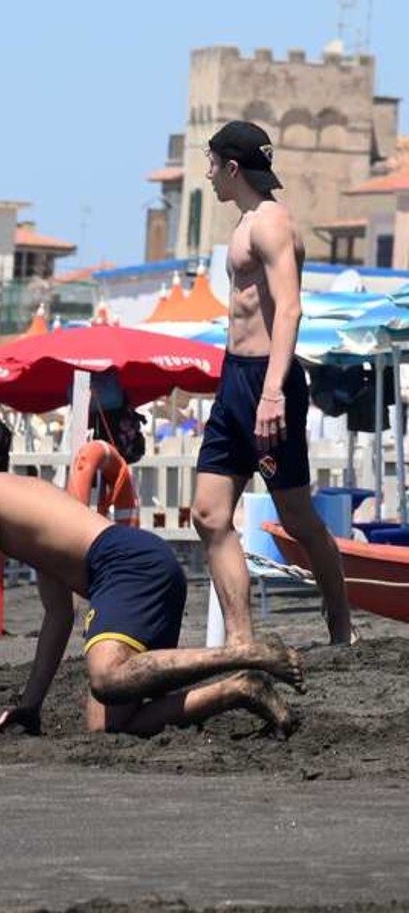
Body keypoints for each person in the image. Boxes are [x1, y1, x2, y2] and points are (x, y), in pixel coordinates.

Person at [0, 402, 304, 741]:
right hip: (145, 560)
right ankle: (241, 688)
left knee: (106, 677)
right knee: (110, 725)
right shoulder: (26, 492)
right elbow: (58, 614)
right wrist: (30, 707)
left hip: (124, 565)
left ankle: (245, 653)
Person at [191, 122, 352, 646]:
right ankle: (240, 638)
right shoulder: (243, 223)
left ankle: (340, 624)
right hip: (234, 377)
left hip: (267, 378)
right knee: (209, 514)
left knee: (297, 517)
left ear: (232, 168)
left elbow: (290, 308)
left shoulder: (271, 223)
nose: (208, 173)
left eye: (212, 163)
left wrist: (274, 391)